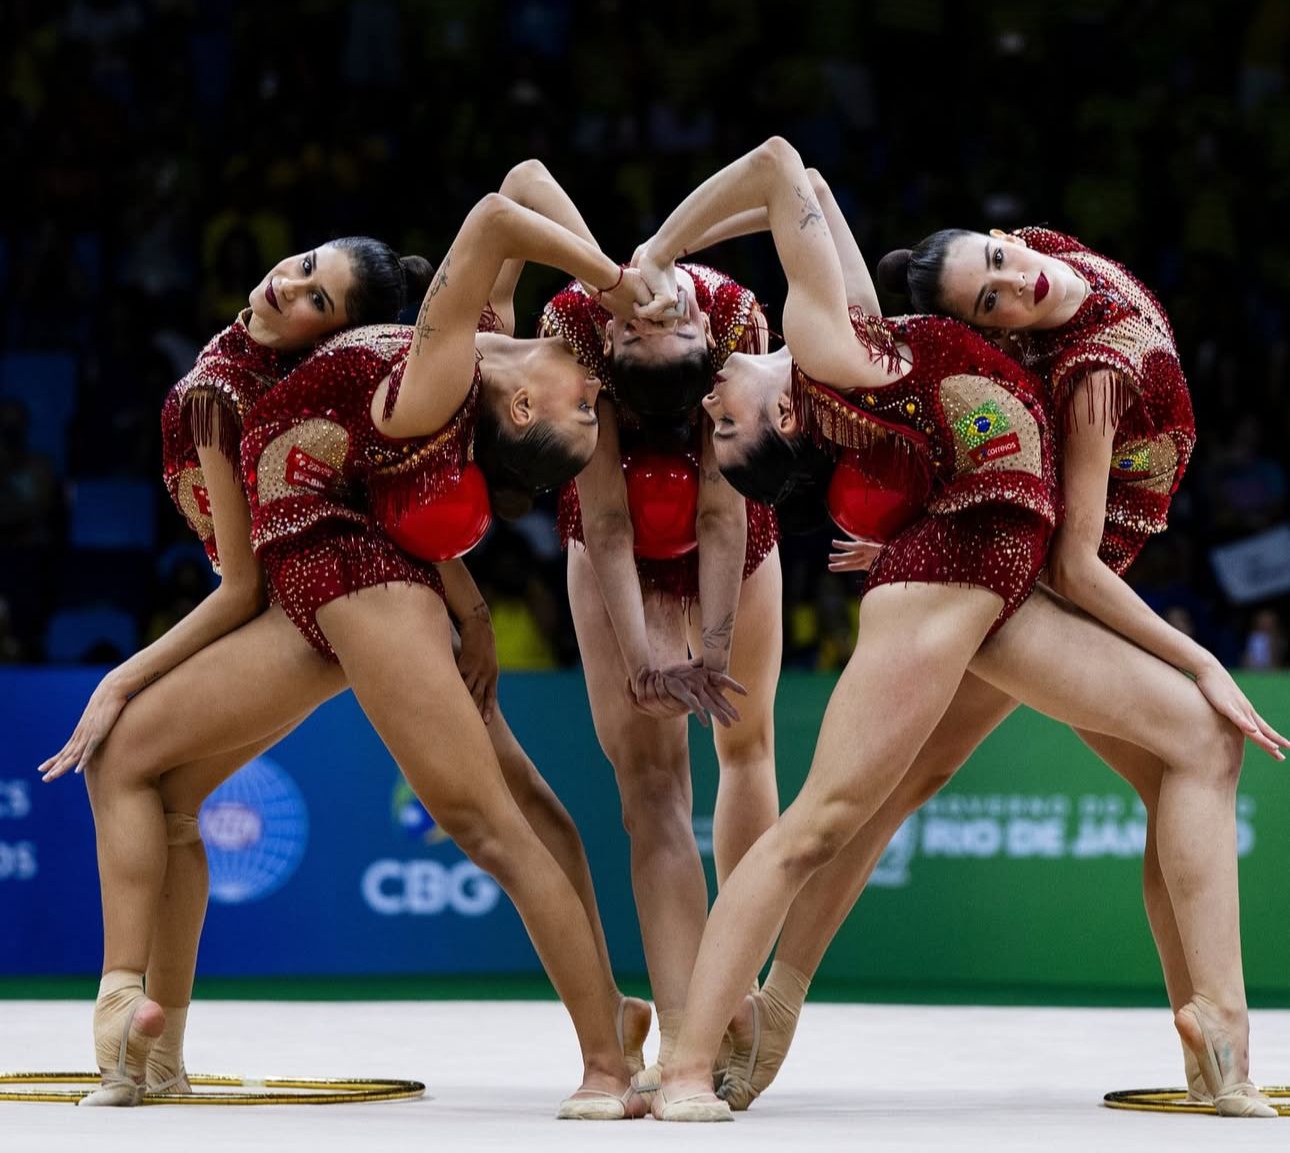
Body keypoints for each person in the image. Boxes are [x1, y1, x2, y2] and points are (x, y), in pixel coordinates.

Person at [633, 137, 1273, 1120]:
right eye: (723, 426)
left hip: (1001, 567)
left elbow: (801, 184)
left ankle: (1218, 1044)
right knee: (830, 817)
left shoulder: (873, 331)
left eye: (1000, 260)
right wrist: (660, 258)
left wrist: (660, 259)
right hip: (992, 576)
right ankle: (704, 1051)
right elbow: (778, 171)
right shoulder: (835, 348)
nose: (712, 396)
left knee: (1178, 749)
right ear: (791, 425)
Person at [41, 179, 658, 1117]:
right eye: (597, 407)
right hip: (326, 592)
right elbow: (522, 187)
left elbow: (492, 218)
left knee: (487, 823)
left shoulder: (444, 367)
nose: (596, 392)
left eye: (590, 407)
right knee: (518, 807)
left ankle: (607, 1066)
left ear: (526, 409)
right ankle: (149, 1055)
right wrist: (616, 290)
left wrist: (618, 281)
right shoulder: (487, 343)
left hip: (349, 592)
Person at [538, 242, 782, 1085]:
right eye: (643, 331)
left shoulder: (737, 321)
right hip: (611, 548)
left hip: (732, 540)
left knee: (745, 744)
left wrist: (710, 654)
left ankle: (735, 991)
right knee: (649, 787)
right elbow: (605, 520)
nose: (657, 314)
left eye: (667, 326)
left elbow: (722, 514)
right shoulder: (573, 327)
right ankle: (683, 1027)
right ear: (607, 361)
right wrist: (643, 661)